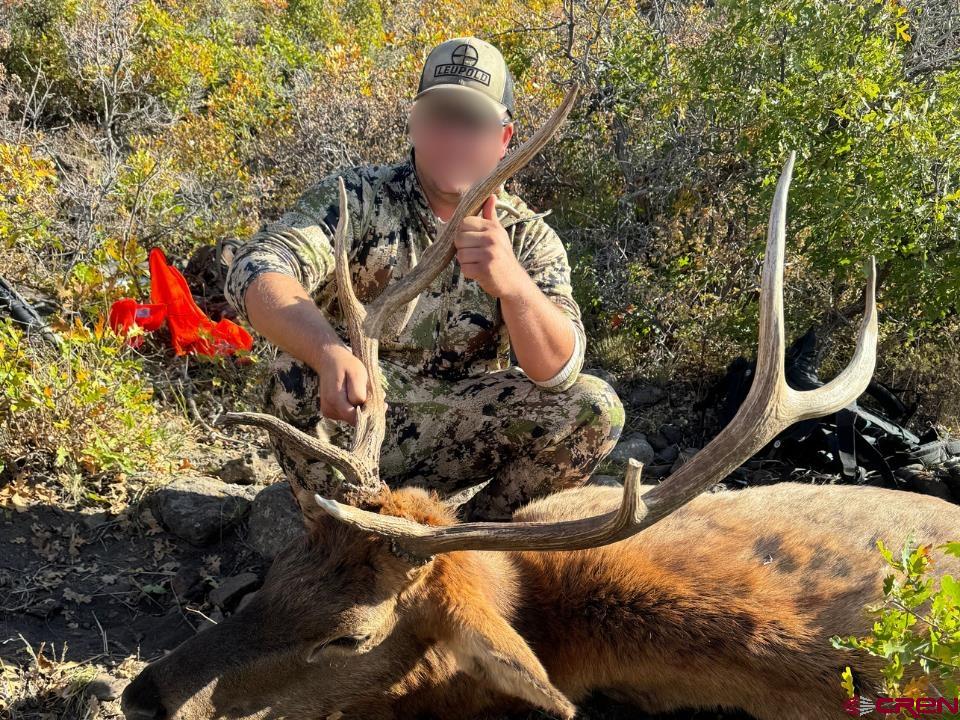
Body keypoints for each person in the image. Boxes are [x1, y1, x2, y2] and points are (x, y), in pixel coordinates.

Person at [223, 36, 625, 521]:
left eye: (472, 123)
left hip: (464, 424)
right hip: (354, 419)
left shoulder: (527, 237)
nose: (454, 137)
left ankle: (474, 541)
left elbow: (558, 369)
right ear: (414, 123)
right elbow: (258, 267)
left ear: (503, 139)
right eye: (439, 118)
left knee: (594, 408)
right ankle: (338, 534)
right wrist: (327, 352)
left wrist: (514, 285)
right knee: (292, 375)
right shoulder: (358, 198)